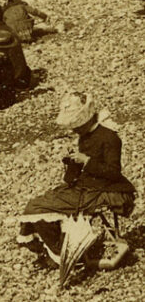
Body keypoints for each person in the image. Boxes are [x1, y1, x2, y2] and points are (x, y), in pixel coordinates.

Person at [17, 93, 136, 269]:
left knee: (37, 207)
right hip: (87, 186)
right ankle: (58, 249)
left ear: (86, 119)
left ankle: (61, 252)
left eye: (76, 125)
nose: (74, 130)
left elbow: (114, 172)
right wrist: (73, 163)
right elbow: (81, 172)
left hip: (104, 189)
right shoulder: (86, 135)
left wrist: (86, 161)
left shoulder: (109, 137)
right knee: (37, 205)